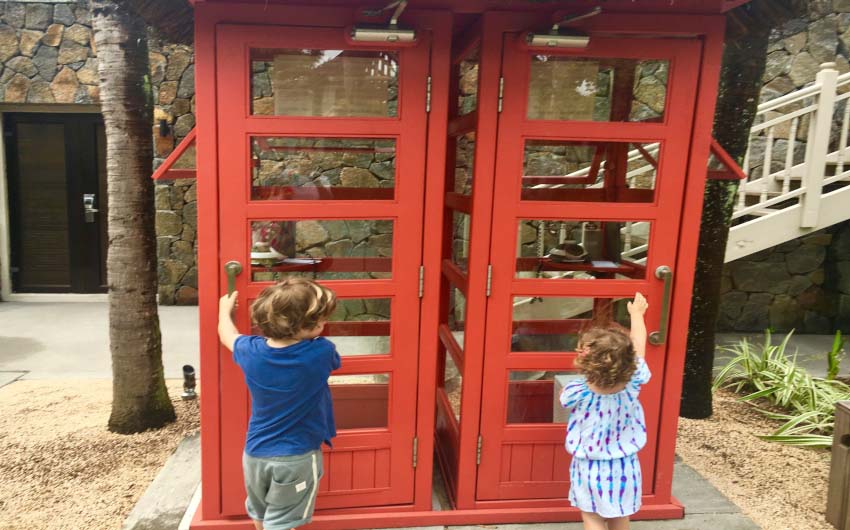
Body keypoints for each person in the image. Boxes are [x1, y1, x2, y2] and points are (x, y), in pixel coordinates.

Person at [218, 278, 341, 530]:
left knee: (260, 512)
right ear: (312, 325)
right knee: (283, 523)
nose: (324, 323)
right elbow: (332, 359)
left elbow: (226, 334)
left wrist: (224, 309)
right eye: (320, 319)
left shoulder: (250, 351)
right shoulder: (321, 352)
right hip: (296, 457)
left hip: (254, 454)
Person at [559, 293, 651, 530]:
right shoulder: (634, 382)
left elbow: (564, 401)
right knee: (620, 516)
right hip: (624, 465)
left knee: (591, 516)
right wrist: (637, 316)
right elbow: (639, 347)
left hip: (589, 465)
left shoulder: (577, 391)